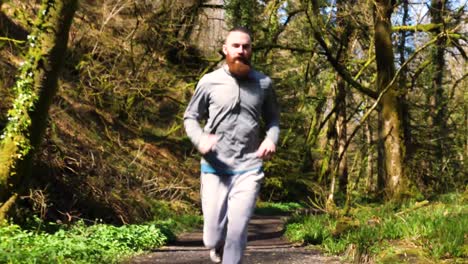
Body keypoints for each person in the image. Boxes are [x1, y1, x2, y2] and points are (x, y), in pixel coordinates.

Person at [183, 27, 280, 264]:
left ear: (251, 50)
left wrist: (270, 139)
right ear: (225, 50)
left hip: (249, 167)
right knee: (211, 236)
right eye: (236, 46)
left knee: (237, 231)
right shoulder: (209, 81)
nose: (241, 51)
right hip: (215, 167)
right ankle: (217, 244)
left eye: (245, 46)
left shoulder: (264, 84)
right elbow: (190, 117)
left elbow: (273, 120)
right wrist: (200, 139)